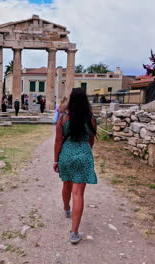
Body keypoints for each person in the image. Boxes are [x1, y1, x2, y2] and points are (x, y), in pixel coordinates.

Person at [53, 88, 97, 245]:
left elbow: (58, 141)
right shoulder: (91, 118)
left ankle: (66, 208)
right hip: (83, 153)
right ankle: (74, 233)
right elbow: (91, 139)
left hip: (66, 154)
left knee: (66, 184)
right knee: (78, 193)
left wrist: (56, 160)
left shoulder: (63, 118)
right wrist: (86, 152)